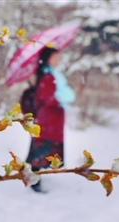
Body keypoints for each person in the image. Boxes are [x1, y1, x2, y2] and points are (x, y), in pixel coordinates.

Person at [25, 46, 76, 192]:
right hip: (48, 120)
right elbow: (48, 98)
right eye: (55, 57)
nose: (57, 60)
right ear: (47, 58)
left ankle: (35, 179)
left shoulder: (50, 74)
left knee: (42, 151)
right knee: (41, 152)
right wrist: (63, 96)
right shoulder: (47, 76)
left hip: (50, 120)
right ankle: (35, 182)